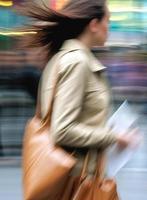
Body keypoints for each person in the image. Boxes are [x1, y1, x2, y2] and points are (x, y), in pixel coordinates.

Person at [20, 0, 138, 195]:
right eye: (107, 21)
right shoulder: (77, 62)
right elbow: (63, 129)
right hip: (79, 180)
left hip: (80, 177)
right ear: (93, 24)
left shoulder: (64, 58)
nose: (108, 27)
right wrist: (114, 137)